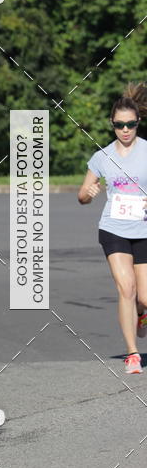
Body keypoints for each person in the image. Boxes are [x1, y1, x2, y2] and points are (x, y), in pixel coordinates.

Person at [79, 83, 147, 374]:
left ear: (138, 123)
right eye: (120, 125)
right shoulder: (102, 157)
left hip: (143, 230)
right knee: (126, 289)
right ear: (112, 125)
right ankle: (133, 354)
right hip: (113, 229)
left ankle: (142, 314)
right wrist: (89, 193)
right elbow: (82, 194)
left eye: (130, 124)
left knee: (144, 297)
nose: (125, 130)